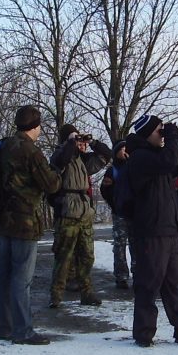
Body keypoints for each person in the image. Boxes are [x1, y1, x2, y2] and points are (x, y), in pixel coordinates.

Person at [127, 114, 178, 347]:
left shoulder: (158, 156)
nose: (162, 135)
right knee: (149, 283)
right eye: (158, 131)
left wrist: (176, 139)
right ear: (147, 133)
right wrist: (171, 137)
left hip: (170, 229)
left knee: (176, 285)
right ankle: (143, 333)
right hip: (152, 230)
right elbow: (168, 162)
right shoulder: (140, 157)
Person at [0, 105, 61, 345]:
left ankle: (7, 327)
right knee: (22, 277)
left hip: (4, 219)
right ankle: (23, 331)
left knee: (5, 276)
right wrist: (58, 167)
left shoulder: (5, 146)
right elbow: (51, 185)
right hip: (25, 221)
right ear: (35, 126)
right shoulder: (31, 151)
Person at [48, 124, 112, 308]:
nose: (80, 143)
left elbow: (106, 155)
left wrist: (92, 142)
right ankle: (56, 295)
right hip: (67, 212)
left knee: (87, 256)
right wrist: (71, 141)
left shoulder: (83, 161)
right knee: (64, 256)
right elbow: (63, 158)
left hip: (84, 211)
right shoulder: (59, 155)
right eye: (77, 140)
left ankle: (87, 292)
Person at [100, 139, 133, 289]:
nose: (125, 151)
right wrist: (115, 203)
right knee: (119, 246)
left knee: (135, 245)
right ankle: (121, 276)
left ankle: (138, 273)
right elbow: (104, 191)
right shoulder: (111, 170)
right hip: (119, 214)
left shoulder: (134, 166)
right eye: (122, 149)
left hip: (134, 214)